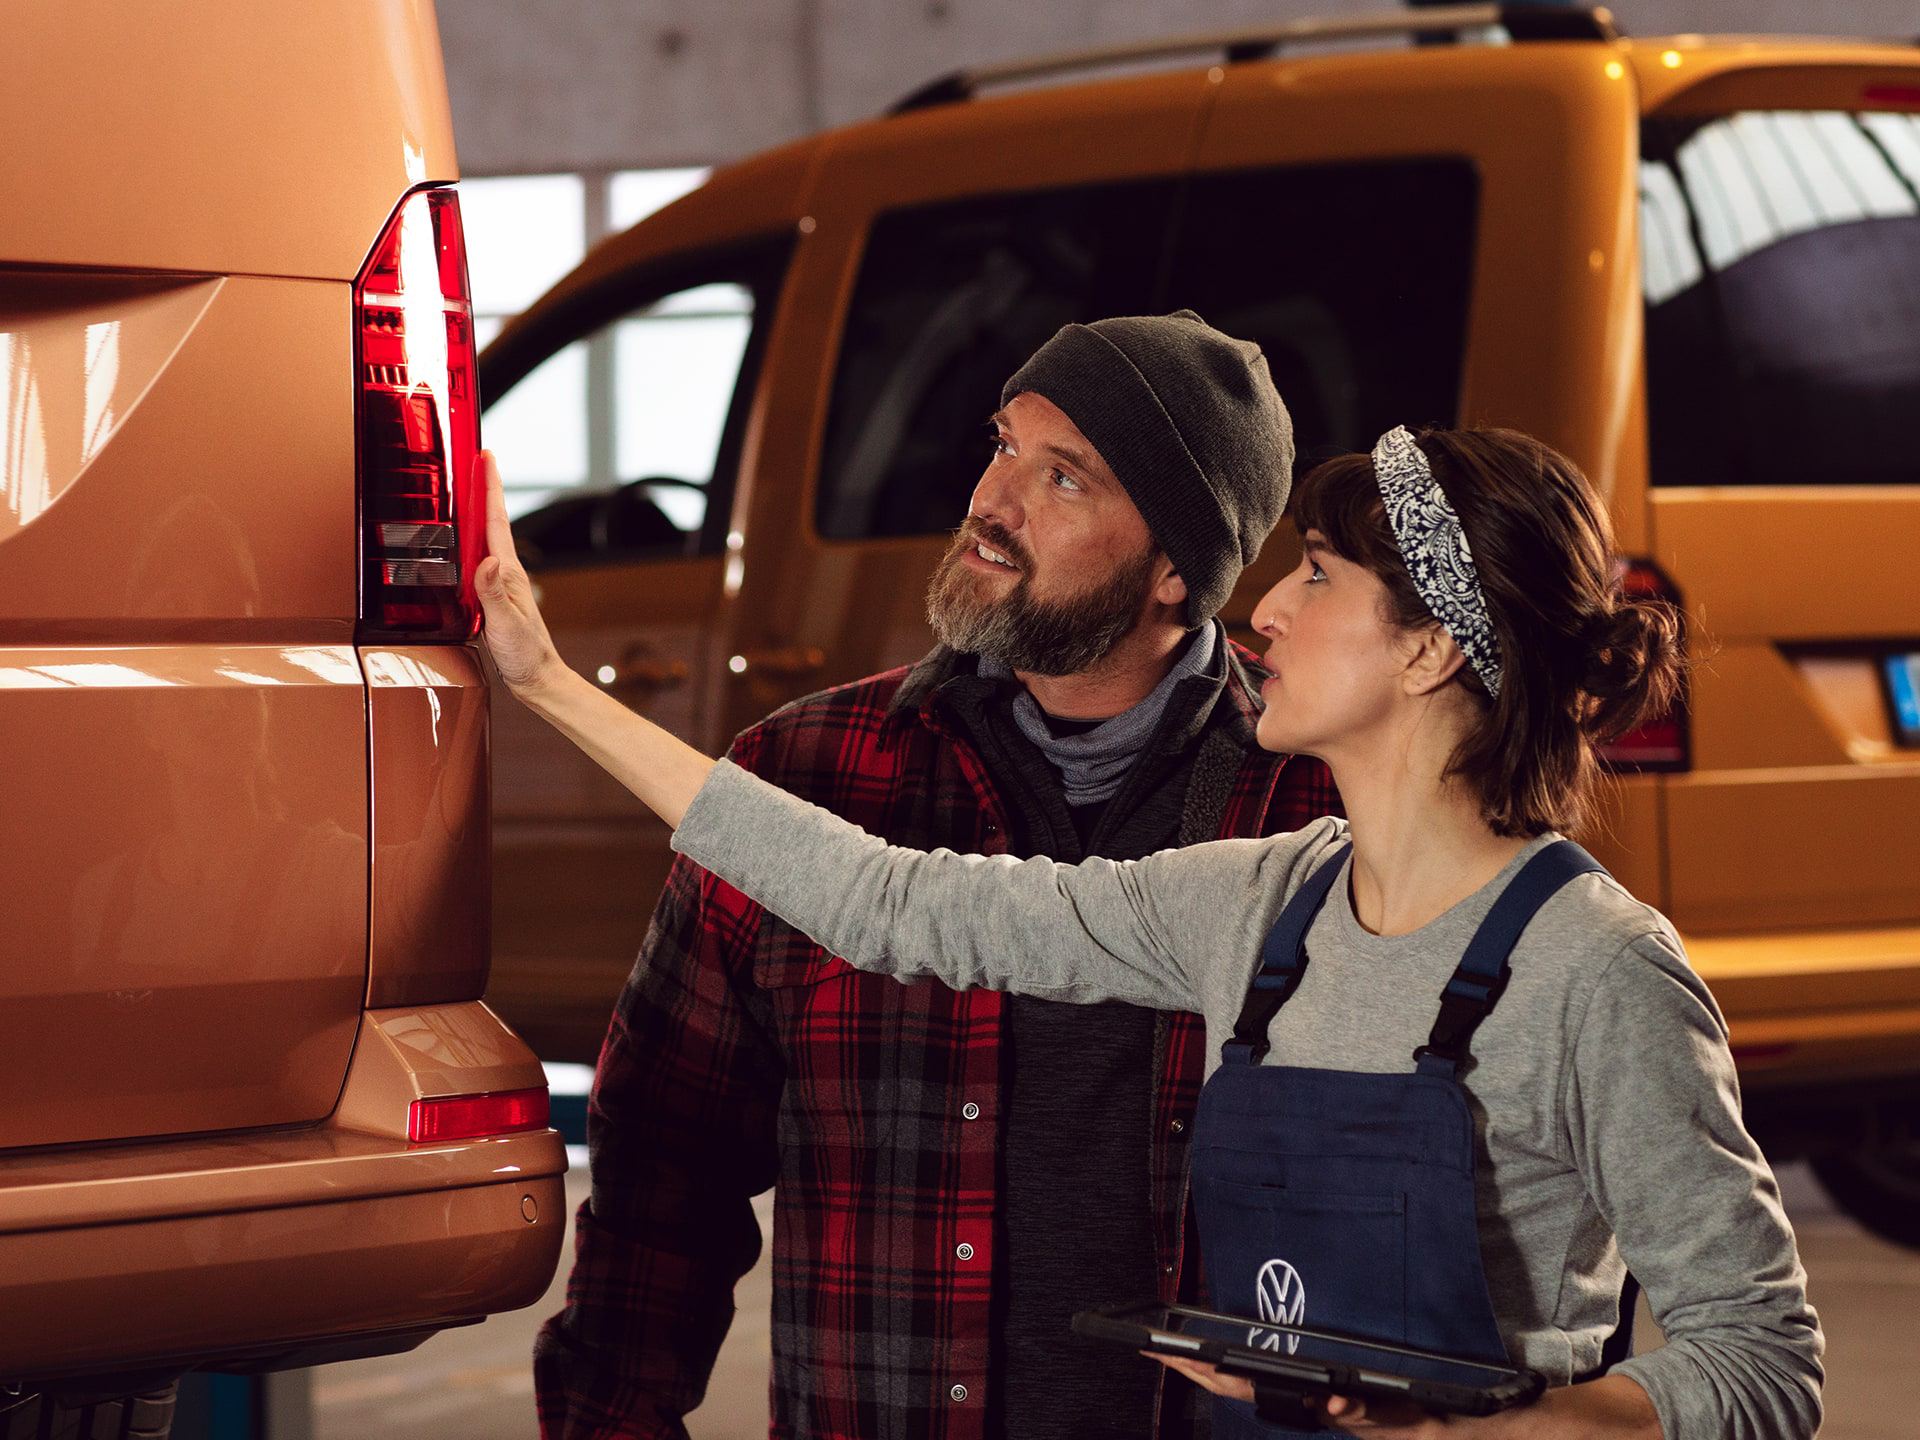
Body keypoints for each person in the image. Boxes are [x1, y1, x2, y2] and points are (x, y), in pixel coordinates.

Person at [487, 418, 1826, 1440]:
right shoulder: (1260, 902)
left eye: (1316, 576)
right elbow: (889, 902)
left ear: (1426, 653)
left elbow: (1761, 1360)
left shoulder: (1599, 972)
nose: (1264, 613)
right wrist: (544, 682)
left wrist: (1506, 1428)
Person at [527, 312, 1342, 1440]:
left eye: (1063, 479)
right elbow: (665, 1169)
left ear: (1173, 574)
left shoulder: (1311, 803)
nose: (993, 504)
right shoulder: (806, 774)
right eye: (1005, 443)